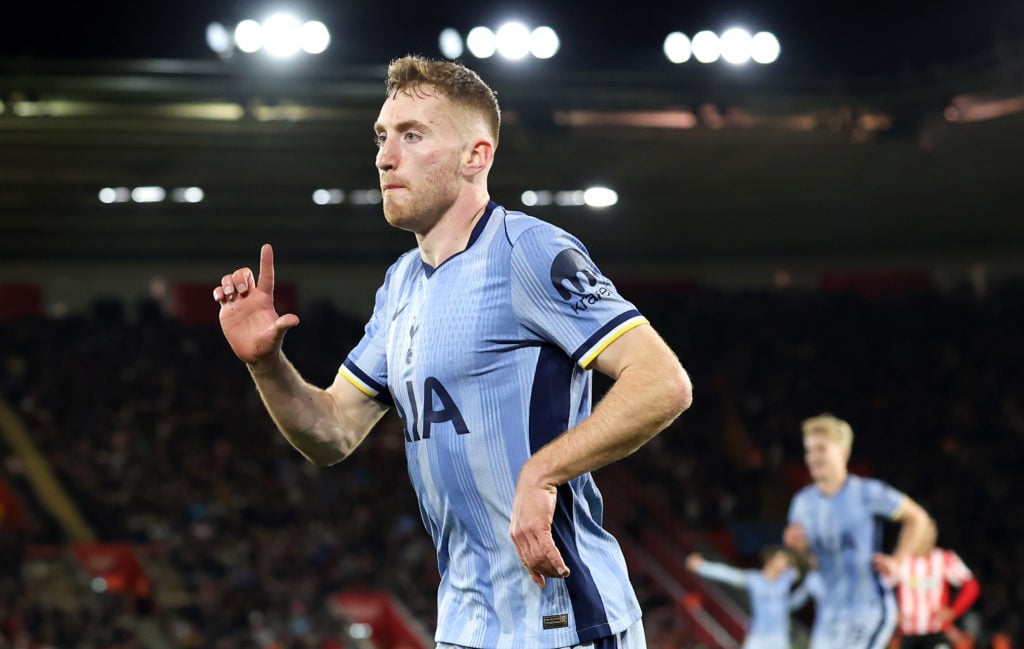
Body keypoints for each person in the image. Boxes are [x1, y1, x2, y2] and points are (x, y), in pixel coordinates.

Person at [213, 54, 693, 649]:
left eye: (412, 136)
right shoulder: (400, 285)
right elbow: (331, 433)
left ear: (476, 156)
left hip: (566, 623)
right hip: (465, 626)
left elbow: (662, 381)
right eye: (382, 137)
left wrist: (541, 473)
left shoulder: (529, 249)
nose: (385, 156)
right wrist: (266, 366)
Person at [784, 413, 932, 649]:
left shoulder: (866, 492)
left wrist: (897, 560)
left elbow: (918, 518)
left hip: (866, 611)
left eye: (821, 449)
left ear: (843, 452)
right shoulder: (802, 503)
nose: (812, 457)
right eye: (809, 450)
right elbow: (808, 565)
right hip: (829, 614)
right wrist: (799, 550)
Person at [877, 518, 980, 649]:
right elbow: (878, 588)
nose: (928, 538)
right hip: (907, 632)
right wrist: (892, 612)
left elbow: (971, 586)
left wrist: (953, 611)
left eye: (931, 533)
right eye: (924, 533)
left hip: (936, 630)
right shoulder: (902, 561)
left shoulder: (944, 558)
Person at [685, 547, 805, 649]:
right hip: (759, 636)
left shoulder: (786, 578)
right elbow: (728, 574)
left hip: (781, 637)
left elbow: (804, 563)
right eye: (782, 558)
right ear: (770, 560)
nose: (785, 562)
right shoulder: (755, 580)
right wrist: (702, 566)